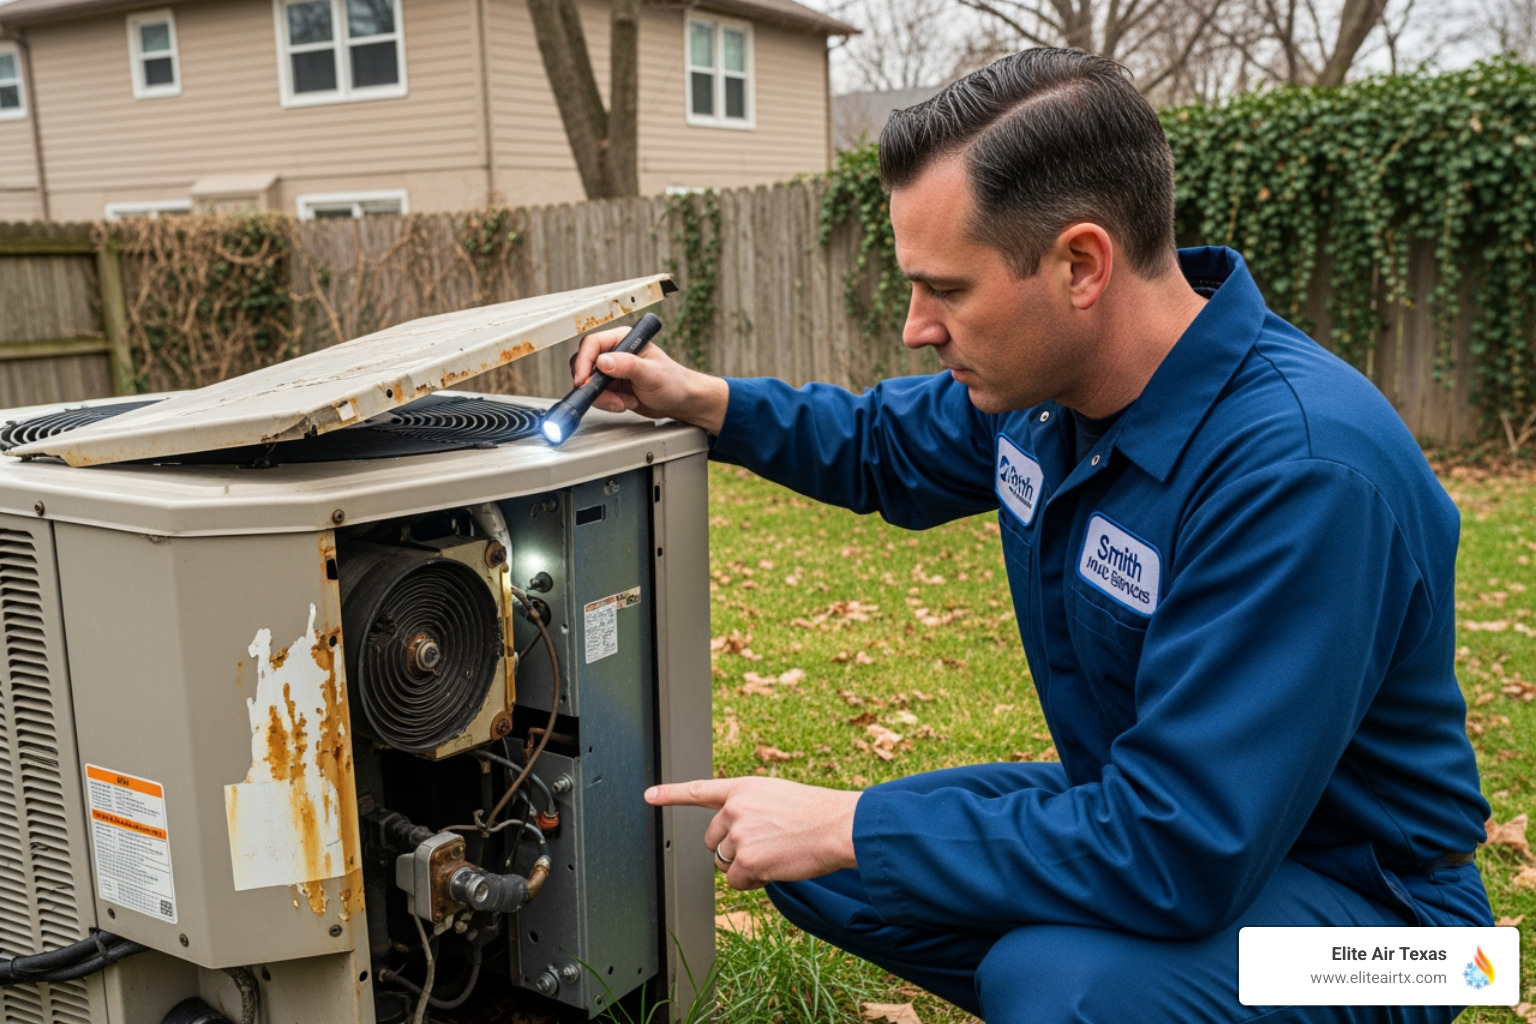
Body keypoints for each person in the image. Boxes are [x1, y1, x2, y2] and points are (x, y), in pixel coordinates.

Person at [572, 48, 1491, 1024]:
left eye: (949, 290)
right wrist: (703, 402)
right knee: (819, 867)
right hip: (1177, 830)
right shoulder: (1050, 400)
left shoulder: (1300, 472)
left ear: (1081, 265)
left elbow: (1181, 847)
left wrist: (857, 822)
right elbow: (886, 445)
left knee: (1054, 983)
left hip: (1400, 935)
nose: (918, 327)